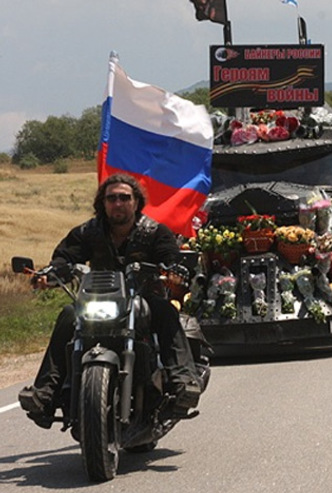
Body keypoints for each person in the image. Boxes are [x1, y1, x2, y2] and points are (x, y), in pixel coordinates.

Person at [18, 173, 202, 426]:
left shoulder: (154, 231)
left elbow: (172, 257)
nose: (118, 203)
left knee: (165, 312)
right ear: (102, 203)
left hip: (143, 299)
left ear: (136, 202)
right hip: (100, 300)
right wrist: (48, 275)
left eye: (124, 198)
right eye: (112, 198)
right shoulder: (88, 232)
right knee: (68, 314)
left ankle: (183, 382)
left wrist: (175, 270)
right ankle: (45, 392)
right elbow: (64, 258)